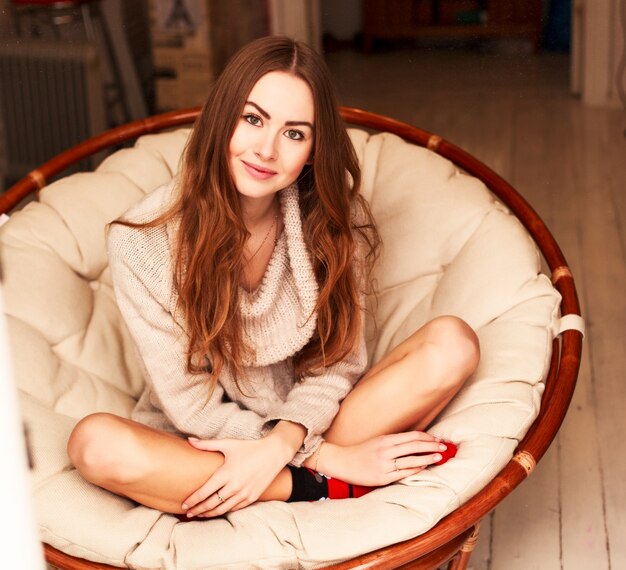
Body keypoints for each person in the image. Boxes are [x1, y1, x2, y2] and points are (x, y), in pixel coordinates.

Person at [67, 36, 479, 520]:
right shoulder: (142, 242)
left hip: (319, 420)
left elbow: (338, 365)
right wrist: (322, 458)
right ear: (223, 117)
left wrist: (289, 439)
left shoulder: (329, 220)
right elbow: (190, 404)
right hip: (210, 441)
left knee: (455, 344)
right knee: (94, 444)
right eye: (253, 119)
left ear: (313, 148)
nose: (266, 149)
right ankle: (319, 487)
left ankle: (285, 481)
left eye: (294, 133)